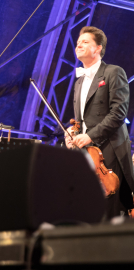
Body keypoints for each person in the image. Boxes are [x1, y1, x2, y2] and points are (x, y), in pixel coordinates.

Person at [72, 26, 134, 218]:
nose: (79, 45)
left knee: (111, 208)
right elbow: (82, 120)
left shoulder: (114, 72)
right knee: (88, 207)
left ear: (98, 48)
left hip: (110, 149)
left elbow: (118, 113)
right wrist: (73, 133)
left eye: (85, 42)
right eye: (78, 42)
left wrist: (89, 135)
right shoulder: (79, 82)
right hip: (88, 153)